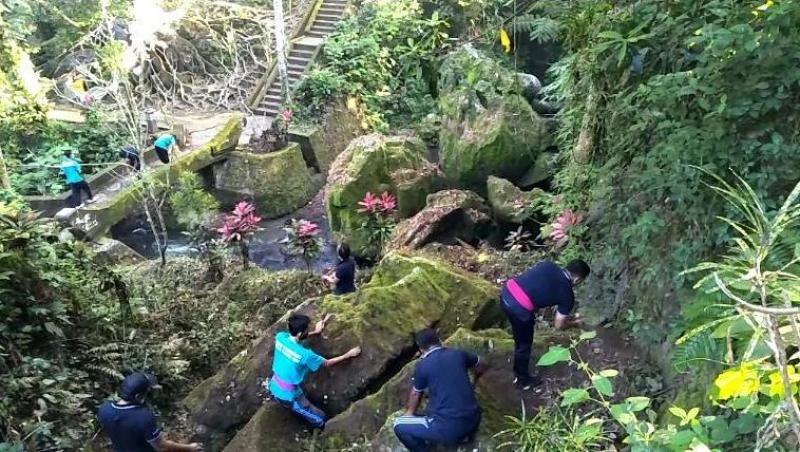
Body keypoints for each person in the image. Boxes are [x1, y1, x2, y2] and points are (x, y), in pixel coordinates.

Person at [501, 259, 590, 390]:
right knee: (524, 344)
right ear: (577, 279)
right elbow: (558, 325)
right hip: (518, 309)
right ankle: (523, 380)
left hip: (506, 292)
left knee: (519, 331)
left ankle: (518, 353)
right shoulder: (567, 295)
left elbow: (537, 286)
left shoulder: (548, 265)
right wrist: (575, 324)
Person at [393, 329, 485, 452]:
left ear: (421, 349)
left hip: (447, 429)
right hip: (473, 419)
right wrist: (474, 379)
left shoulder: (423, 366)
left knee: (398, 424)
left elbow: (416, 393)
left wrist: (410, 413)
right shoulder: (458, 354)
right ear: (440, 341)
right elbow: (479, 363)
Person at [268, 313, 361, 429]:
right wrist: (348, 355)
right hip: (288, 396)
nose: (308, 331)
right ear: (301, 333)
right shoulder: (306, 355)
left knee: (304, 402)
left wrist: (316, 332)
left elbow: (295, 340)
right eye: (307, 330)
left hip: (275, 383)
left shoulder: (280, 338)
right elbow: (327, 363)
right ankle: (322, 429)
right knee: (320, 417)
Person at [98, 372, 202, 452]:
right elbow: (161, 446)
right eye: (148, 392)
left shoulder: (105, 409)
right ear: (139, 396)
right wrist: (189, 448)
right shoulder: (144, 417)